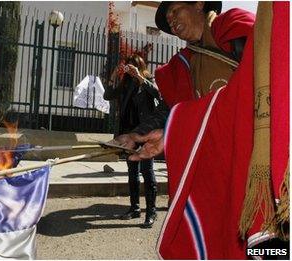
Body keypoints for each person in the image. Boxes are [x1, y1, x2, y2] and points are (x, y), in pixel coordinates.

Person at [114, 1, 289, 259]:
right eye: (168, 18)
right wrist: (136, 134)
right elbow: (170, 111)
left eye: (175, 11)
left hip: (257, 157)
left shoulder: (235, 30)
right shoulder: (183, 65)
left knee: (270, 243)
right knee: (224, 239)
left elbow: (267, 74)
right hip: (218, 164)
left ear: (198, 4)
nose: (171, 20)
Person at [104, 54, 162, 228]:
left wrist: (139, 76)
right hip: (129, 134)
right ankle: (134, 208)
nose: (129, 68)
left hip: (145, 134)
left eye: (132, 65)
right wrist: (114, 76)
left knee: (147, 171)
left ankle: (151, 212)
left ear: (140, 65)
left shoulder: (147, 79)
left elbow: (158, 93)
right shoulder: (126, 84)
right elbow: (108, 95)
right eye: (128, 66)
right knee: (132, 173)